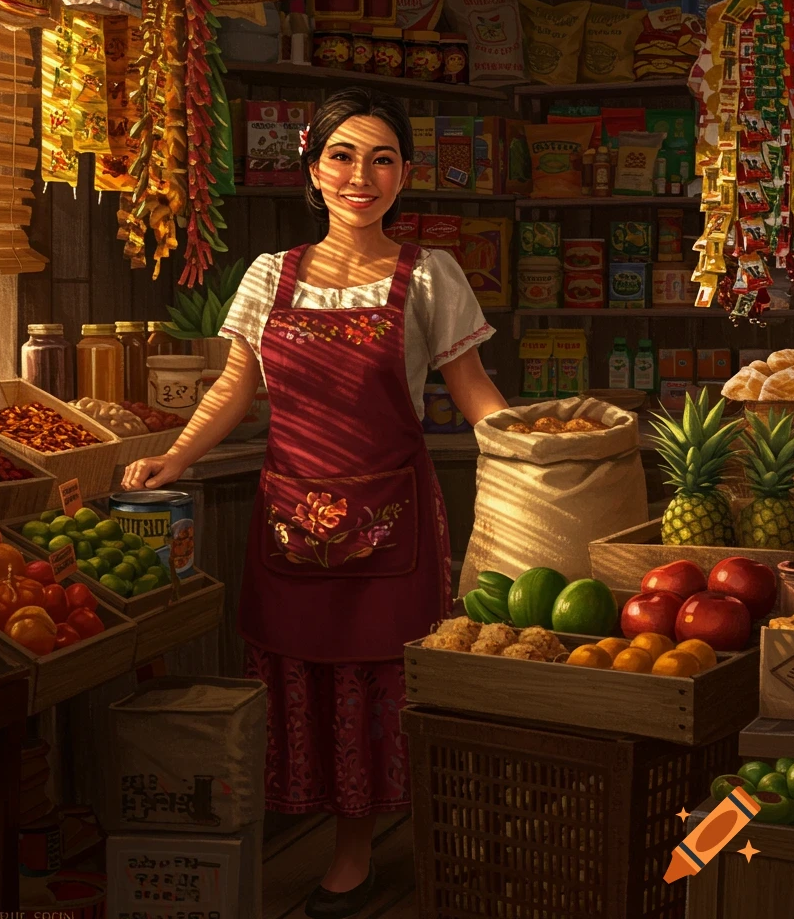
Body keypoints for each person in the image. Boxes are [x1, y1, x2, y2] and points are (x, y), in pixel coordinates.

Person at [123, 87, 507, 917]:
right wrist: (175, 456)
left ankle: (358, 849)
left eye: (381, 158)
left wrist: (537, 449)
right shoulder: (271, 276)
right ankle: (325, 832)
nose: (360, 176)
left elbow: (473, 392)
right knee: (305, 676)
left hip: (392, 518)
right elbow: (236, 386)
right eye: (342, 155)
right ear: (312, 167)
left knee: (379, 681)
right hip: (291, 515)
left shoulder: (430, 276)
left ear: (405, 174)